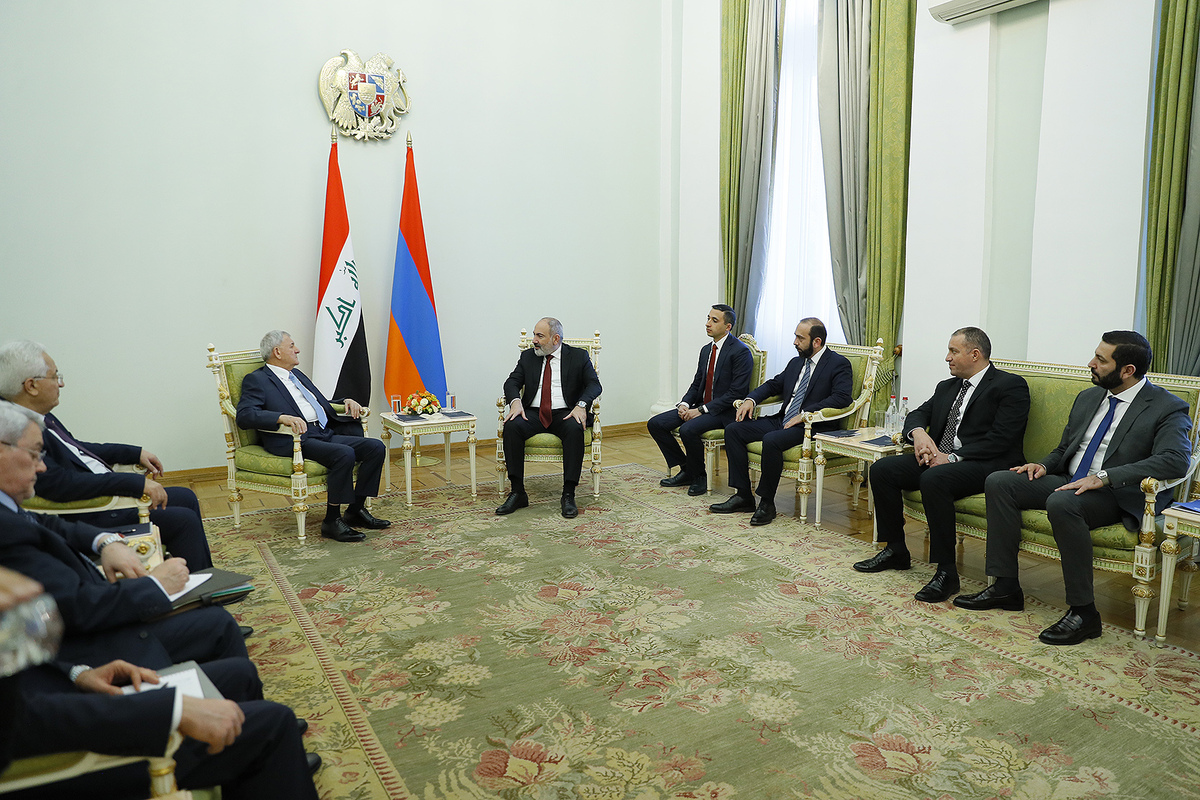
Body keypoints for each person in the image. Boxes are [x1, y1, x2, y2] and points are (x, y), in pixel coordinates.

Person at [957, 331, 1192, 645]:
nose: (1091, 363)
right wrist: (1043, 465)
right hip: (1071, 479)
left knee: (1063, 503)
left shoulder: (1167, 407)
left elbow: (1175, 460)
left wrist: (1105, 476)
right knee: (1001, 481)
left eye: (1101, 360)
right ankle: (1005, 587)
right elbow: (1065, 448)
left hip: (1117, 493)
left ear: (1127, 370)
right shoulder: (1089, 397)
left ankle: (1084, 613)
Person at [0, 403, 248, 669]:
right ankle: (203, 605)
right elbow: (77, 608)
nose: (41, 467)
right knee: (220, 628)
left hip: (98, 602)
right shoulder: (9, 531)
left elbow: (49, 516)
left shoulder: (12, 501)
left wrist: (105, 541)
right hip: (97, 645)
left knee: (185, 500)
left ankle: (207, 597)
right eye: (34, 454)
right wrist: (154, 585)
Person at [853, 327, 1030, 605]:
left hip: (986, 464)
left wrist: (952, 457)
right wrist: (919, 435)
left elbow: (1003, 439)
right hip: (942, 460)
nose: (947, 357)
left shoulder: (1009, 385)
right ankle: (896, 550)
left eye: (953, 351)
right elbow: (918, 414)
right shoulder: (947, 387)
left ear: (975, 354)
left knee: (934, 478)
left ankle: (946, 572)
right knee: (883, 470)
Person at [0, 340, 212, 569]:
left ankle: (203, 578)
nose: (61, 383)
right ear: (31, 385)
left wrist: (134, 453)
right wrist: (132, 484)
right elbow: (58, 483)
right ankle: (192, 586)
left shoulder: (36, 414)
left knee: (186, 497)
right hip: (89, 510)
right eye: (54, 377)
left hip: (100, 493)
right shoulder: (15, 429)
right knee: (183, 521)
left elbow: (76, 449)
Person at [236, 330, 389, 543]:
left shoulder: (297, 375)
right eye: (292, 346)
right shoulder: (257, 380)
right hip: (294, 439)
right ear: (277, 352)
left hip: (321, 432)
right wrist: (280, 417)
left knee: (375, 448)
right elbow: (244, 415)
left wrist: (345, 401)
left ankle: (355, 510)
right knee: (344, 453)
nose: (297, 350)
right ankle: (332, 521)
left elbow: (318, 402)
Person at [709, 318, 853, 526]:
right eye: (795, 336)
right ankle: (743, 496)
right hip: (783, 419)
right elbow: (773, 385)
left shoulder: (838, 364)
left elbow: (842, 398)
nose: (795, 342)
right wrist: (751, 399)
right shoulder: (796, 362)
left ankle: (767, 503)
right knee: (734, 430)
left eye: (800, 338)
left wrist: (806, 413)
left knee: (772, 440)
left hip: (811, 426)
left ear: (817, 342)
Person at [498, 317, 602, 520]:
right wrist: (515, 402)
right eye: (534, 335)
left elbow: (594, 385)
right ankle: (518, 492)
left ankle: (568, 494)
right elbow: (512, 382)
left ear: (556, 339)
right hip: (533, 412)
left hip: (566, 411)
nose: (534, 340)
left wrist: (581, 405)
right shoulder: (528, 356)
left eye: (540, 336)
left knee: (575, 428)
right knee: (511, 426)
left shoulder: (578, 356)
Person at [648, 304, 752, 496]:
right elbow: (697, 384)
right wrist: (685, 404)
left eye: (714, 320)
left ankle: (699, 477)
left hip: (725, 412)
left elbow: (735, 393)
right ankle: (687, 468)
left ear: (728, 327)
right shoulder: (706, 350)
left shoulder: (740, 352)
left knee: (688, 429)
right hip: (702, 407)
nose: (708, 324)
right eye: (708, 318)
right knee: (656, 424)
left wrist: (701, 410)